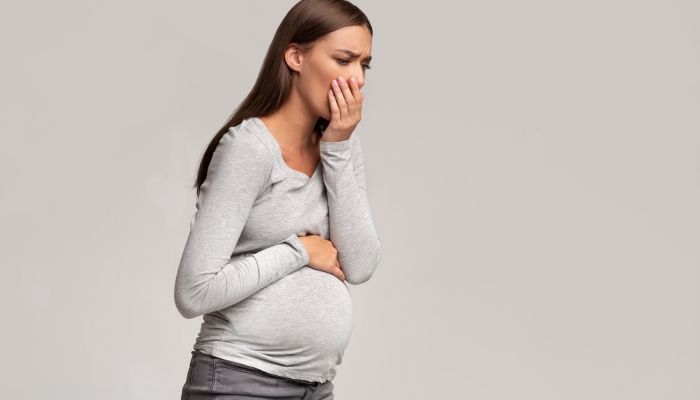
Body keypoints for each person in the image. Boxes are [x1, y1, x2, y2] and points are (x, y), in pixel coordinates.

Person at [174, 0, 380, 398]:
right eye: (344, 60)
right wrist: (299, 251)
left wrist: (336, 150)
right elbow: (193, 292)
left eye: (365, 65)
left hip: (316, 387)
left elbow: (361, 265)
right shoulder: (249, 149)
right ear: (295, 56)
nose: (357, 79)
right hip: (240, 381)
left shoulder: (342, 147)